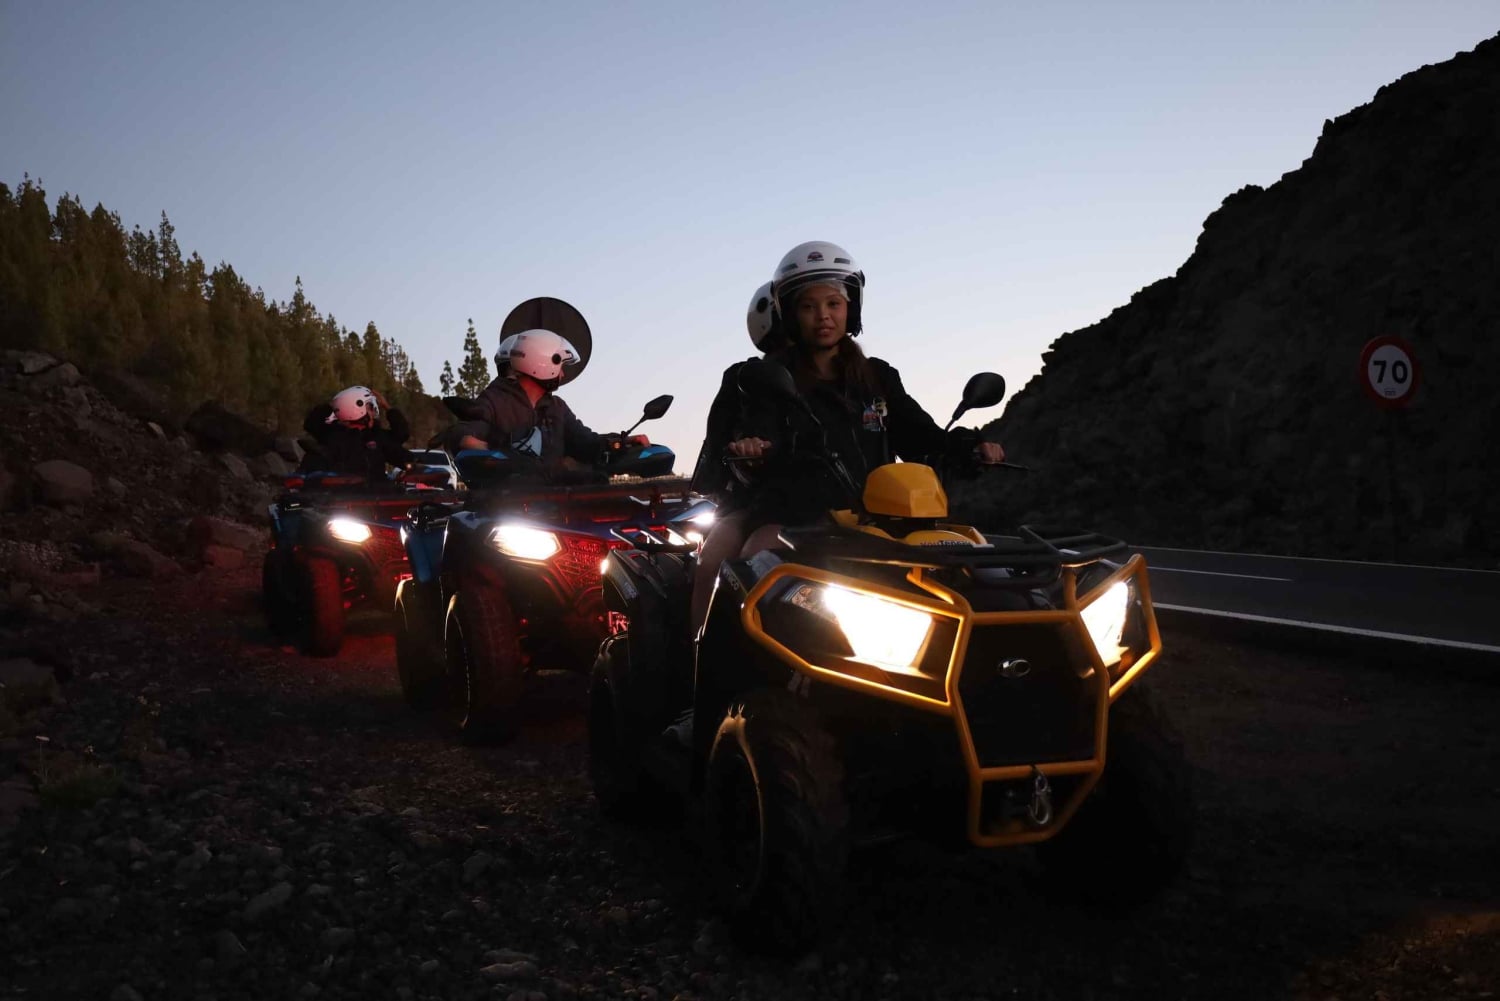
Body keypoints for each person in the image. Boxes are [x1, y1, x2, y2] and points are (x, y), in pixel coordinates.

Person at [688, 241, 1005, 636]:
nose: (823, 316)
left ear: (850, 308)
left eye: (833, 304)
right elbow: (759, 427)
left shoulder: (877, 377)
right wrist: (752, 448)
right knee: (754, 562)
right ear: (790, 314)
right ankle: (708, 662)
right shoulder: (764, 377)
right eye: (808, 306)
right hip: (791, 513)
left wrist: (969, 448)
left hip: (874, 517)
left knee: (975, 570)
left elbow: (919, 434)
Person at [448, 326, 645, 466]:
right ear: (543, 364)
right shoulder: (494, 401)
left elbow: (585, 441)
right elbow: (463, 437)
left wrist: (621, 442)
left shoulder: (557, 408)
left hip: (556, 500)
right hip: (507, 505)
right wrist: (499, 450)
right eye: (560, 367)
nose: (562, 374)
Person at [299, 385, 412, 484]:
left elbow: (401, 435)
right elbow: (311, 424)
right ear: (357, 408)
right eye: (371, 407)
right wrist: (335, 405)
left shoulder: (377, 436)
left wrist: (388, 407)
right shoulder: (333, 435)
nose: (374, 412)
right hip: (341, 500)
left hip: (378, 498)